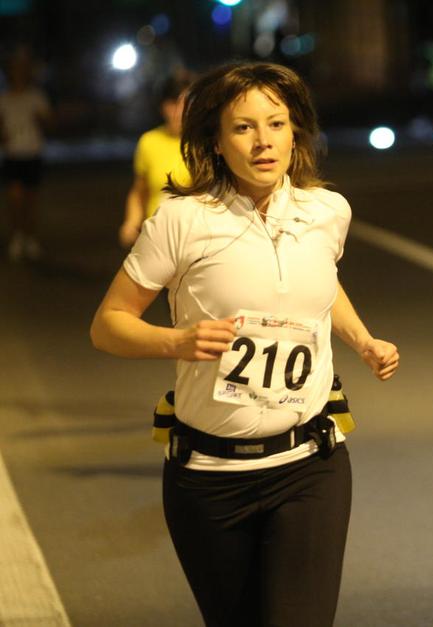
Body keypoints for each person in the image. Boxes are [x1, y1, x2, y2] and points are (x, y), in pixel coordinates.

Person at [90, 61, 400, 626]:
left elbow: (318, 283)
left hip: (310, 465)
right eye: (243, 127)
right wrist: (177, 341)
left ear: (295, 132)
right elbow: (108, 324)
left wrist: (362, 340)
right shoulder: (181, 221)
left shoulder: (327, 211)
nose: (264, 141)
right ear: (215, 139)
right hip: (208, 477)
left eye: (276, 124)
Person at [118, 74, 191, 248]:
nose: (179, 111)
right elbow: (139, 191)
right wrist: (131, 223)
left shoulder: (209, 144)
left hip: (195, 237)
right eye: (173, 103)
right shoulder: (149, 141)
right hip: (157, 236)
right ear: (162, 106)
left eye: (187, 103)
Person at [0, 49, 52, 262]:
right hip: (13, 154)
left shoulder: (36, 96)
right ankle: (17, 237)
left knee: (31, 200)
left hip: (32, 152)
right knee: (14, 199)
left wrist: (41, 120)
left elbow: (49, 123)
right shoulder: (4, 98)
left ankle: (30, 238)